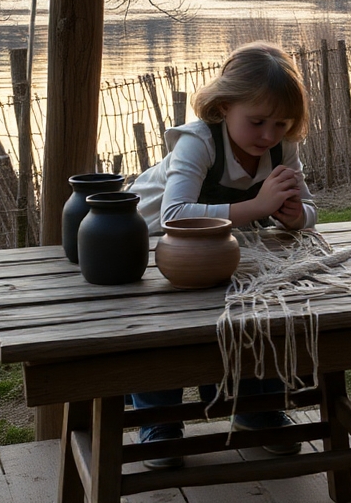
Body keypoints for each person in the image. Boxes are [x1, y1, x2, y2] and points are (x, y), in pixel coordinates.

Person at [127, 41, 316, 469]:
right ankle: (159, 419)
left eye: (281, 123)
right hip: (152, 247)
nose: (268, 134)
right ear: (223, 106)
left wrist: (292, 216)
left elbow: (310, 210)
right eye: (257, 122)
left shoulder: (281, 148)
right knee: (164, 326)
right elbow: (175, 213)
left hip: (222, 248)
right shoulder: (198, 142)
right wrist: (258, 208)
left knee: (252, 313)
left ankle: (252, 406)